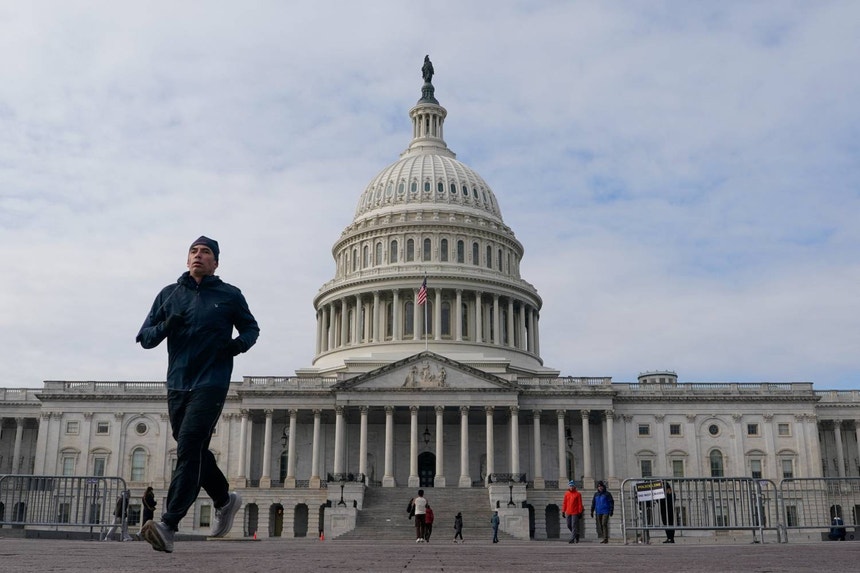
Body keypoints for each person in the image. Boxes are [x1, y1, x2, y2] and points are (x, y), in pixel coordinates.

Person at [136, 236, 260, 553]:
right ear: (187, 258)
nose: (198, 256)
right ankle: (223, 499)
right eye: (194, 251)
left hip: (212, 381)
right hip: (178, 383)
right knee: (195, 449)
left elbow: (251, 329)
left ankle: (169, 524)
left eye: (206, 252)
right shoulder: (169, 294)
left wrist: (236, 346)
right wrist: (167, 324)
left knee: (189, 445)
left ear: (215, 262)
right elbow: (145, 338)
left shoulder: (229, 295)